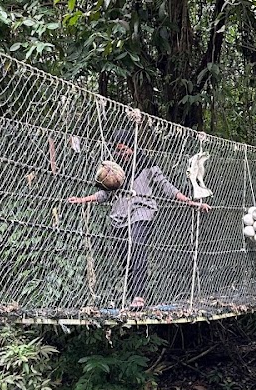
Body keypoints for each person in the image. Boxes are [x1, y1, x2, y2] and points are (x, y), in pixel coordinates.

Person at [68, 131, 208, 308]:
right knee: (125, 257)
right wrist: (82, 200)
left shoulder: (148, 165)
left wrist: (191, 202)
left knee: (137, 248)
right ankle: (132, 293)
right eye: (118, 151)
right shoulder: (116, 171)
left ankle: (139, 296)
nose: (122, 154)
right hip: (119, 217)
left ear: (132, 148)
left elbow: (166, 187)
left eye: (124, 149)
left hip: (143, 212)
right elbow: (105, 193)